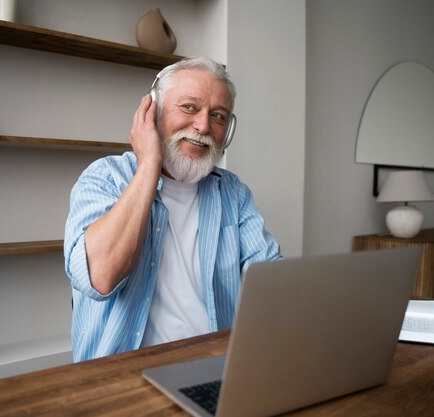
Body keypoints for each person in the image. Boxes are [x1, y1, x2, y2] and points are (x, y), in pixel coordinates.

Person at [64, 56, 281, 362]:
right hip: (119, 377)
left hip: (215, 367)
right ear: (152, 111)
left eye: (218, 116)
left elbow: (275, 287)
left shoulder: (233, 193)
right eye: (189, 107)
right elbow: (100, 278)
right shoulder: (105, 177)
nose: (203, 126)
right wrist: (149, 164)